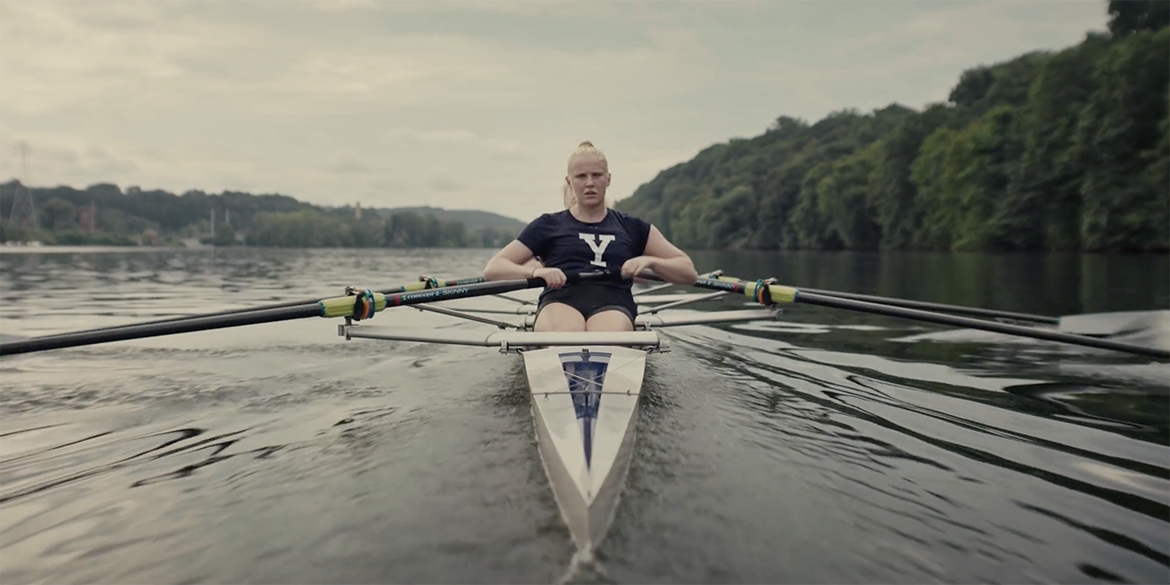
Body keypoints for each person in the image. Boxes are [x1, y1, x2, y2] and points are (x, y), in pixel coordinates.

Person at [483, 141, 697, 332]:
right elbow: (494, 269)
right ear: (569, 182)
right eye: (581, 176)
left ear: (608, 179)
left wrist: (650, 260)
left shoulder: (634, 227)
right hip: (560, 300)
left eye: (597, 175)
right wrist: (537, 271)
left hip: (613, 302)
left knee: (604, 338)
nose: (589, 183)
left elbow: (688, 272)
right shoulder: (548, 224)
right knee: (565, 334)